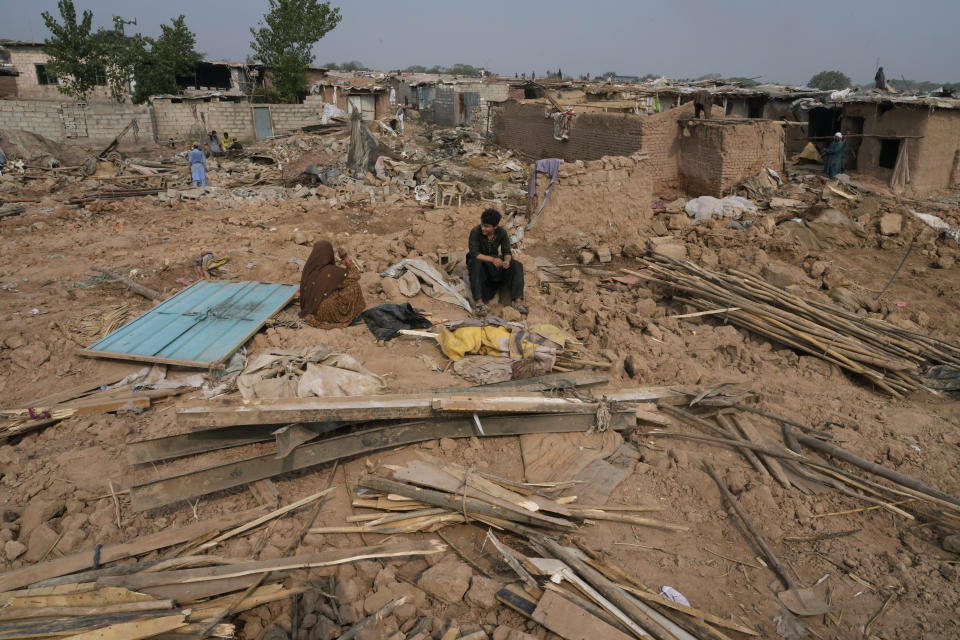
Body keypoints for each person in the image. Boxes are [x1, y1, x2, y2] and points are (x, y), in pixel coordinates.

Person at [467, 208, 527, 316]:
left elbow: (506, 252)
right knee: (475, 263)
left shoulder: (502, 233)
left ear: (495, 227)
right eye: (482, 225)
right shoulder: (475, 232)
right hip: (480, 263)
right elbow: (474, 253)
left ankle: (518, 302)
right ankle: (479, 304)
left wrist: (507, 261)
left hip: (492, 264)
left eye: (486, 226)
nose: (483, 228)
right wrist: (492, 259)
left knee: (517, 265)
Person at [299, 240, 366, 329]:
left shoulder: (308, 270)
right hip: (325, 312)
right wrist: (345, 257)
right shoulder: (333, 272)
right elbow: (356, 274)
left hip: (311, 309)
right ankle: (348, 315)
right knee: (354, 285)